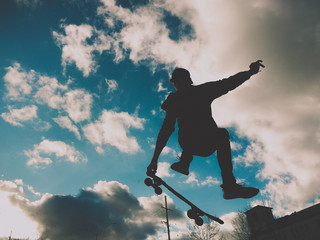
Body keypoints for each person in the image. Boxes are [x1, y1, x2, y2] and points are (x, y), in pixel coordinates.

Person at [147, 60, 265, 200]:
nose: (179, 86)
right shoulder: (175, 102)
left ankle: (229, 186)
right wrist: (154, 160)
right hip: (188, 142)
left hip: (207, 142)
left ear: (188, 80)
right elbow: (166, 130)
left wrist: (249, 73)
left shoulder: (202, 91)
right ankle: (185, 161)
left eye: (181, 82)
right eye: (177, 83)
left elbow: (228, 83)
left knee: (222, 134)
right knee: (194, 121)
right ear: (175, 84)